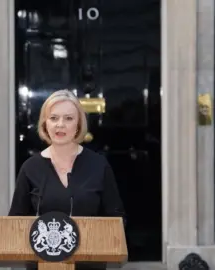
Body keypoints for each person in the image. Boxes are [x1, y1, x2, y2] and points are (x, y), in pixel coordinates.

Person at [8, 89, 126, 270]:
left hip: (89, 265)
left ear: (78, 124)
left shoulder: (98, 165)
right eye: (53, 118)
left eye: (68, 118)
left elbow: (117, 218)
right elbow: (15, 221)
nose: (60, 125)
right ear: (45, 123)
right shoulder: (30, 168)